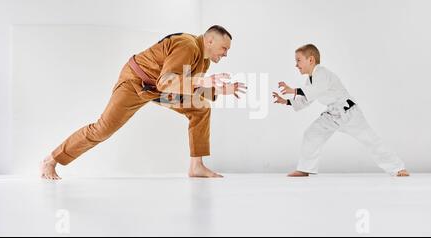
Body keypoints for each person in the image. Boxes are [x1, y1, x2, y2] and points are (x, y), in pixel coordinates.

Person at [40, 25, 247, 180]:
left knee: (201, 108)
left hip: (157, 89)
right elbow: (168, 82)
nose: (226, 54)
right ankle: (51, 160)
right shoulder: (187, 45)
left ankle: (196, 166)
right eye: (224, 48)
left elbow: (185, 86)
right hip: (135, 83)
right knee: (102, 129)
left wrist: (218, 89)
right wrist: (203, 81)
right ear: (209, 41)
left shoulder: (204, 60)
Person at [272, 44, 410, 177]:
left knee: (370, 139)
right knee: (311, 133)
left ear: (311, 59)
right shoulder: (310, 80)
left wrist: (293, 90)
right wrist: (286, 101)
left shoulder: (322, 73)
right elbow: (305, 100)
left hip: (349, 112)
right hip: (332, 114)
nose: (296, 65)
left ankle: (398, 168)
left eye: (298, 60)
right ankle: (305, 169)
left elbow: (315, 90)